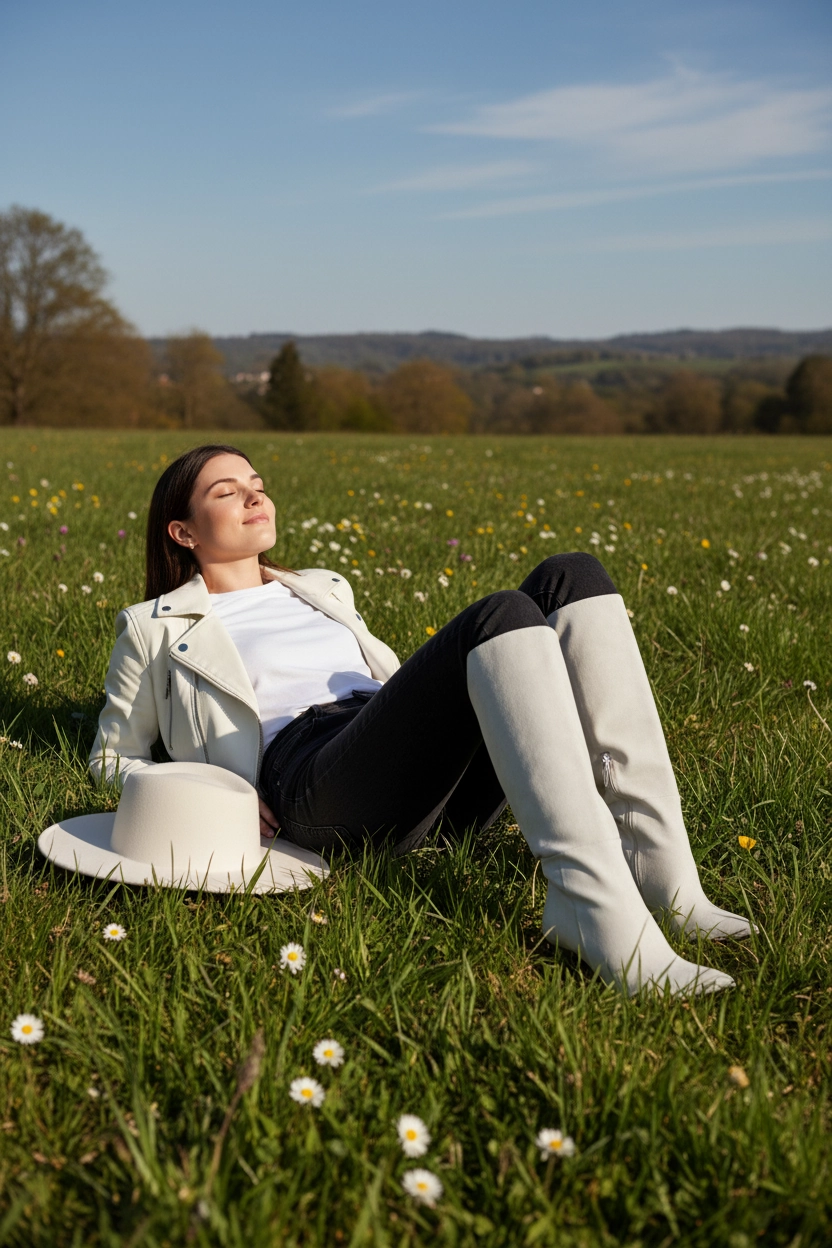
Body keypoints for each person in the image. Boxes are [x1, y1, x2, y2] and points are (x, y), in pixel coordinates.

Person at [91, 443, 754, 997]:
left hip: (411, 773)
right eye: (227, 492)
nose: (254, 497)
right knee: (500, 618)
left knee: (569, 574)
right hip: (315, 783)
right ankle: (590, 899)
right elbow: (112, 756)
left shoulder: (322, 586)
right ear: (183, 531)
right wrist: (219, 798)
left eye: (257, 486)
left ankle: (659, 867)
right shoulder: (153, 627)